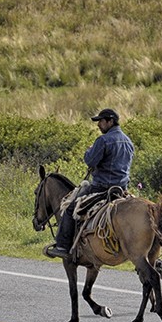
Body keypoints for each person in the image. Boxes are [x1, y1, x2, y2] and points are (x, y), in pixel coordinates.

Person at [45, 108, 134, 260]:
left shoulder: (103, 141)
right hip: (121, 189)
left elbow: (91, 161)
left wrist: (89, 151)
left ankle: (62, 246)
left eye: (101, 121)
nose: (98, 124)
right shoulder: (128, 141)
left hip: (101, 188)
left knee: (70, 209)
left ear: (110, 122)